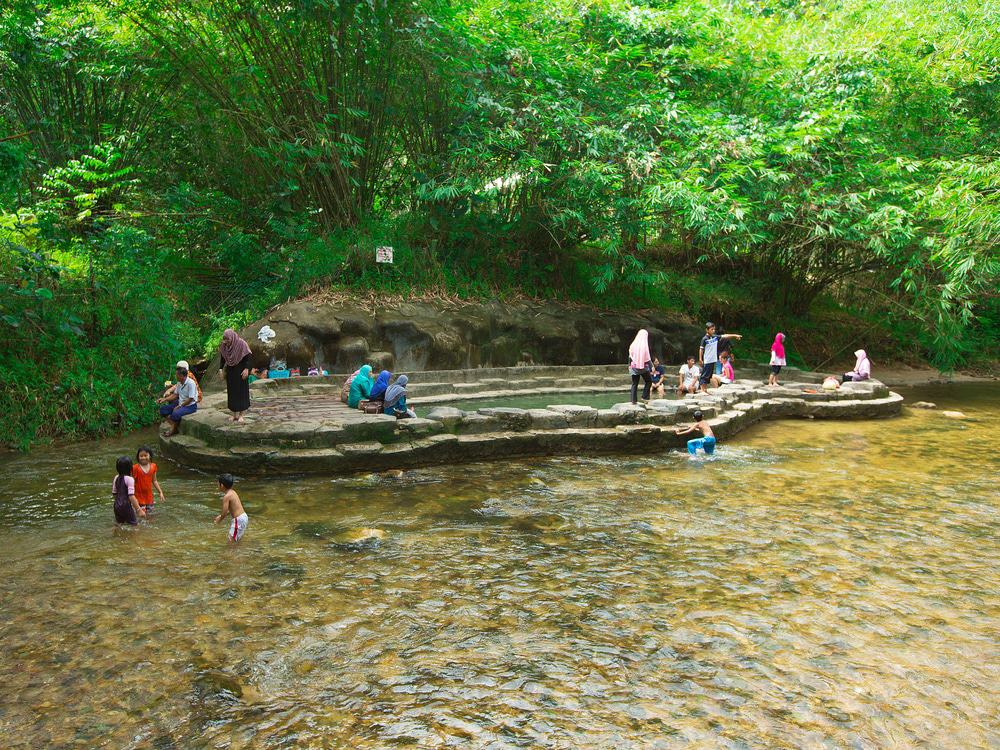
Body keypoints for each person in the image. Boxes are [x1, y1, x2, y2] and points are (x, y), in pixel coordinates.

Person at [218, 328, 252, 423]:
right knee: (232, 393)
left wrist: (246, 369)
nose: (225, 342)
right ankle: (234, 414)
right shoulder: (224, 346)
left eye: (227, 339)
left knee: (241, 393)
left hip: (241, 372)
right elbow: (223, 358)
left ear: (232, 337)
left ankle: (241, 415)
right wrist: (221, 369)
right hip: (231, 372)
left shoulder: (242, 344)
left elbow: (248, 358)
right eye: (224, 339)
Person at [698, 322, 742, 392]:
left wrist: (735, 335)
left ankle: (705, 390)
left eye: (714, 329)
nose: (713, 331)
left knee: (708, 376)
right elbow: (701, 349)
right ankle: (703, 390)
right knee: (704, 375)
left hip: (713, 360)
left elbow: (725, 336)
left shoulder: (715, 337)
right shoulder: (704, 339)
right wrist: (700, 359)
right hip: (707, 360)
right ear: (707, 330)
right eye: (712, 329)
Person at [161, 364, 199, 437]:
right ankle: (174, 426)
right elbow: (175, 395)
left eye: (176, 375)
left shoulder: (191, 383)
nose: (176, 376)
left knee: (175, 414)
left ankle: (172, 429)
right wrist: (164, 399)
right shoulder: (179, 383)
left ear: (181, 376)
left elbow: (191, 398)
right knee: (163, 410)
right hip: (180, 403)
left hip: (190, 406)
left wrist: (180, 406)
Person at [213, 473, 248, 543]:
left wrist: (219, 519)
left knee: (230, 542)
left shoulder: (226, 497)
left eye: (218, 483)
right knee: (236, 540)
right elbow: (232, 509)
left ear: (222, 485)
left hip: (238, 520)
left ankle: (230, 553)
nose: (217, 485)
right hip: (243, 517)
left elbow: (224, 513)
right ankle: (240, 552)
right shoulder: (233, 492)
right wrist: (221, 516)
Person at [112, 455, 145, 525]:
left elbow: (114, 493)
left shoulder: (116, 477)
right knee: (134, 525)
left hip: (116, 505)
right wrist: (139, 510)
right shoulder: (130, 479)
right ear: (130, 468)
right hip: (126, 506)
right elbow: (131, 496)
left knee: (119, 524)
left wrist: (119, 503)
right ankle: (135, 536)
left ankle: (115, 534)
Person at [131, 446, 164, 512]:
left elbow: (154, 481)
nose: (143, 457)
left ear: (150, 456)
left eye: (145, 455)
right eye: (141, 456)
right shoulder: (135, 468)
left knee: (150, 515)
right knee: (140, 515)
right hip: (138, 497)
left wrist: (160, 492)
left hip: (149, 497)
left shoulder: (153, 466)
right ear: (138, 457)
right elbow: (131, 482)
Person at [628, 329, 653, 404]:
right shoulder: (644, 346)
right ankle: (645, 397)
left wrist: (629, 366)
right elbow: (647, 358)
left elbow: (630, 356)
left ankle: (633, 400)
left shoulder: (633, 345)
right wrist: (652, 367)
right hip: (643, 368)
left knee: (634, 383)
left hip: (634, 367)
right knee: (649, 381)